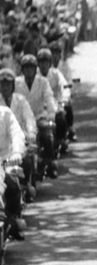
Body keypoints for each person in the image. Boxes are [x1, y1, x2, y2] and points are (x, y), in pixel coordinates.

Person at [15, 54, 58, 179]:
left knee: (47, 135)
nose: (29, 71)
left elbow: (49, 98)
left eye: (31, 67)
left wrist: (51, 114)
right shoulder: (17, 83)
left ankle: (50, 162)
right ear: (22, 70)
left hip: (39, 118)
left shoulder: (43, 82)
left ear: (35, 69)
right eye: (26, 68)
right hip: (21, 121)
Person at [0, 68, 37, 202]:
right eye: (2, 84)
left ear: (13, 86)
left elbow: (26, 121)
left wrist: (30, 133)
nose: (4, 87)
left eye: (7, 84)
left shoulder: (15, 105)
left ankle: (25, 185)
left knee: (13, 178)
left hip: (11, 153)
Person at [0, 103, 26, 240]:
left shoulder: (5, 113)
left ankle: (12, 219)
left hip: (5, 161)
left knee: (12, 185)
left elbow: (16, 134)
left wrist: (16, 153)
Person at [36, 48, 69, 154]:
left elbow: (65, 87)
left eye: (46, 62)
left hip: (54, 104)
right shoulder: (33, 76)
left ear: (50, 63)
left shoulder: (56, 74)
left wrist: (64, 100)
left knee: (61, 117)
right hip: (39, 107)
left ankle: (60, 140)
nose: (43, 65)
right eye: (41, 62)